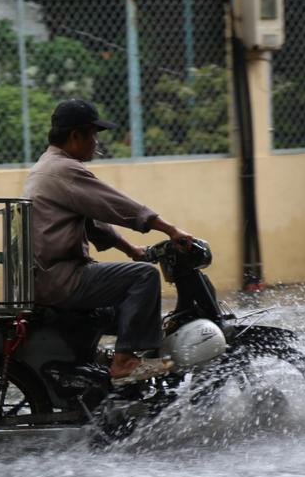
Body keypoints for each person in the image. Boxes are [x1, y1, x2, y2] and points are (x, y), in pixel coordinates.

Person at [23, 98, 194, 385]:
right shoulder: (65, 170)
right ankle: (124, 362)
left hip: (48, 277)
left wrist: (131, 250)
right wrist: (169, 229)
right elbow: (116, 204)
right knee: (143, 278)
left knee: (127, 311)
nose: (96, 143)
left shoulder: (47, 166)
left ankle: (101, 364)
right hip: (63, 278)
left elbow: (94, 223)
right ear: (76, 136)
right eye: (93, 135)